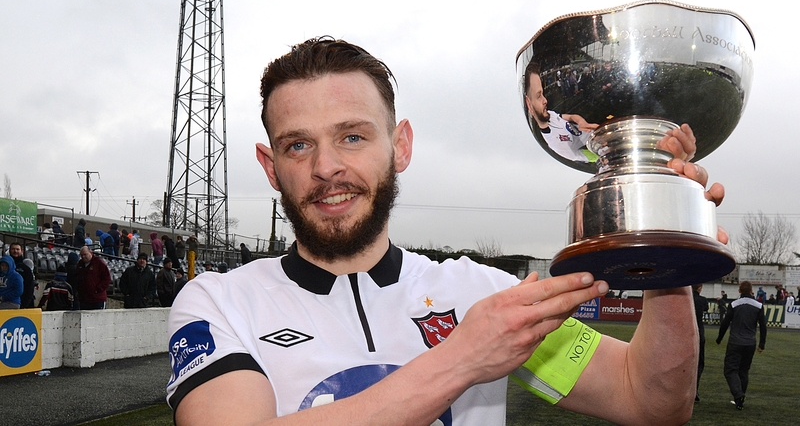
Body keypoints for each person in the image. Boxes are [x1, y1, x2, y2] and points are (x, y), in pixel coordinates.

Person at [166, 37, 725, 425]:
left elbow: (651, 403)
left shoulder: (481, 296)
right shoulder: (219, 302)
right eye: (298, 144)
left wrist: (667, 256)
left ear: (400, 145)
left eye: (353, 137)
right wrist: (464, 357)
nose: (326, 167)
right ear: (270, 166)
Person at [524, 61, 598, 163]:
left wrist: (582, 123)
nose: (545, 100)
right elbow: (590, 157)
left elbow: (571, 117)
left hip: (596, 131)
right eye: (538, 96)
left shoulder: (551, 115)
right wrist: (603, 152)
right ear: (529, 105)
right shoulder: (556, 145)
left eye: (543, 94)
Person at [716, 281, 767, 410]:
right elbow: (763, 327)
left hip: (735, 342)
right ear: (751, 291)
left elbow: (725, 323)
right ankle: (740, 401)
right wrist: (762, 344)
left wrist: (719, 338)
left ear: (739, 291)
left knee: (730, 370)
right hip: (750, 343)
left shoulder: (734, 304)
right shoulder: (759, 306)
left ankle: (738, 395)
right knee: (743, 371)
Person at [692, 284, 709, 402]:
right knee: (699, 363)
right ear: (699, 288)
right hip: (699, 333)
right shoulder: (702, 300)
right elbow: (706, 308)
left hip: (685, 333)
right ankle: (695, 390)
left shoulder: (685, 299)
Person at [9, 242, 35, 308]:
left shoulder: (26, 269)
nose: (15, 251)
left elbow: (29, 288)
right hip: (7, 302)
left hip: (23, 304)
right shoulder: (4, 267)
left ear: (22, 251)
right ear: (9, 251)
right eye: (13, 249)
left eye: (17, 249)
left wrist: (24, 305)